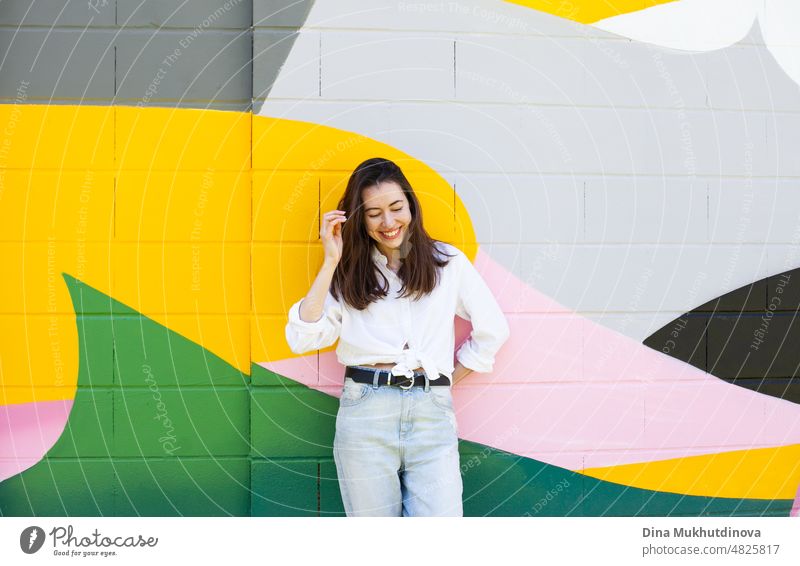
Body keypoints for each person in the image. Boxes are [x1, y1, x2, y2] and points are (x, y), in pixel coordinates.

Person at [285, 157, 509, 516]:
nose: (388, 223)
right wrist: (330, 261)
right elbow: (303, 338)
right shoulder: (347, 271)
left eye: (396, 207)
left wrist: (446, 380)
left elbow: (493, 330)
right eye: (374, 213)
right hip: (365, 411)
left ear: (411, 205)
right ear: (360, 219)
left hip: (430, 412)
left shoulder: (446, 262)